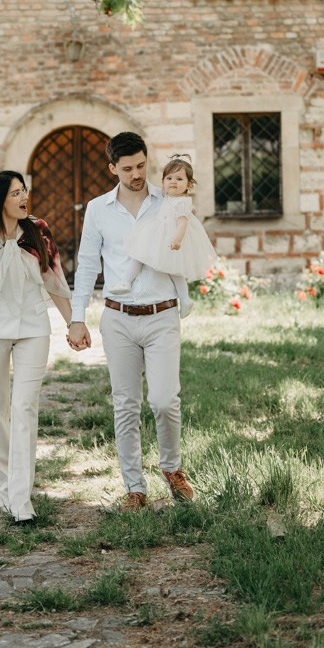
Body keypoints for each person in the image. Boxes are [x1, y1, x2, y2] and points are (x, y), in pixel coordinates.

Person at [66, 132, 195, 511]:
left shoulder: (168, 199)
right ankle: (134, 488)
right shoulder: (98, 209)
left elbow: (185, 247)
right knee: (125, 405)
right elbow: (88, 263)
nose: (137, 174)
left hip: (162, 314)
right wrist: (77, 318)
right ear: (112, 168)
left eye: (141, 165)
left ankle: (171, 469)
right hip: (118, 318)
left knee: (164, 400)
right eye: (127, 169)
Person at [0, 171, 72, 525]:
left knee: (24, 408)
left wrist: (74, 323)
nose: (24, 198)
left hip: (33, 328)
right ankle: (5, 489)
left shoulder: (38, 230)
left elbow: (55, 279)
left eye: (25, 191)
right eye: (15, 194)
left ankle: (20, 500)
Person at [106, 153, 217, 318]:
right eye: (169, 178)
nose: (173, 182)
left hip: (171, 238)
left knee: (175, 270)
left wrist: (177, 240)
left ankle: (185, 299)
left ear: (189, 185)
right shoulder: (166, 195)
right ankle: (127, 281)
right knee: (139, 254)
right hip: (157, 233)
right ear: (163, 182)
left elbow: (182, 223)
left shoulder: (182, 202)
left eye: (179, 179)